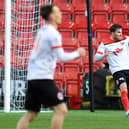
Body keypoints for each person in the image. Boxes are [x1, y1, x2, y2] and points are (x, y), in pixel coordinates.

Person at [16, 4, 86, 129]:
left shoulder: (42, 30)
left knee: (31, 113)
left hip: (33, 77)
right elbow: (61, 57)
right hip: (42, 78)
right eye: (58, 12)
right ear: (52, 16)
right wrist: (78, 53)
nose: (61, 14)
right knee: (61, 109)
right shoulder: (53, 34)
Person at [94, 24, 129, 117]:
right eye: (118, 32)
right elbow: (96, 58)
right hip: (118, 70)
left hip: (128, 68)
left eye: (121, 32)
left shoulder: (126, 39)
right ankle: (128, 111)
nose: (121, 34)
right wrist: (104, 54)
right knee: (124, 88)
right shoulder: (105, 44)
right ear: (112, 33)